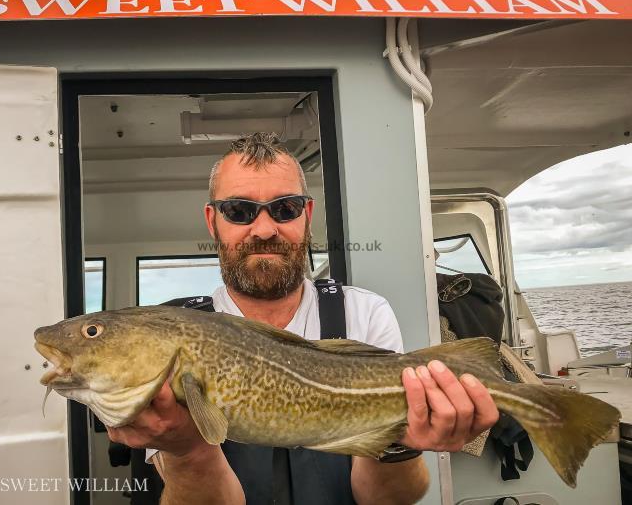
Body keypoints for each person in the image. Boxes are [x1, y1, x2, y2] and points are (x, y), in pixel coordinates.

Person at [106, 132, 500, 505]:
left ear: (306, 215)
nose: (263, 229)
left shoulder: (362, 312)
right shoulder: (170, 328)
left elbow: (385, 500)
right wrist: (188, 451)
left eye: (285, 209)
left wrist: (398, 443)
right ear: (213, 221)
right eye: (239, 211)